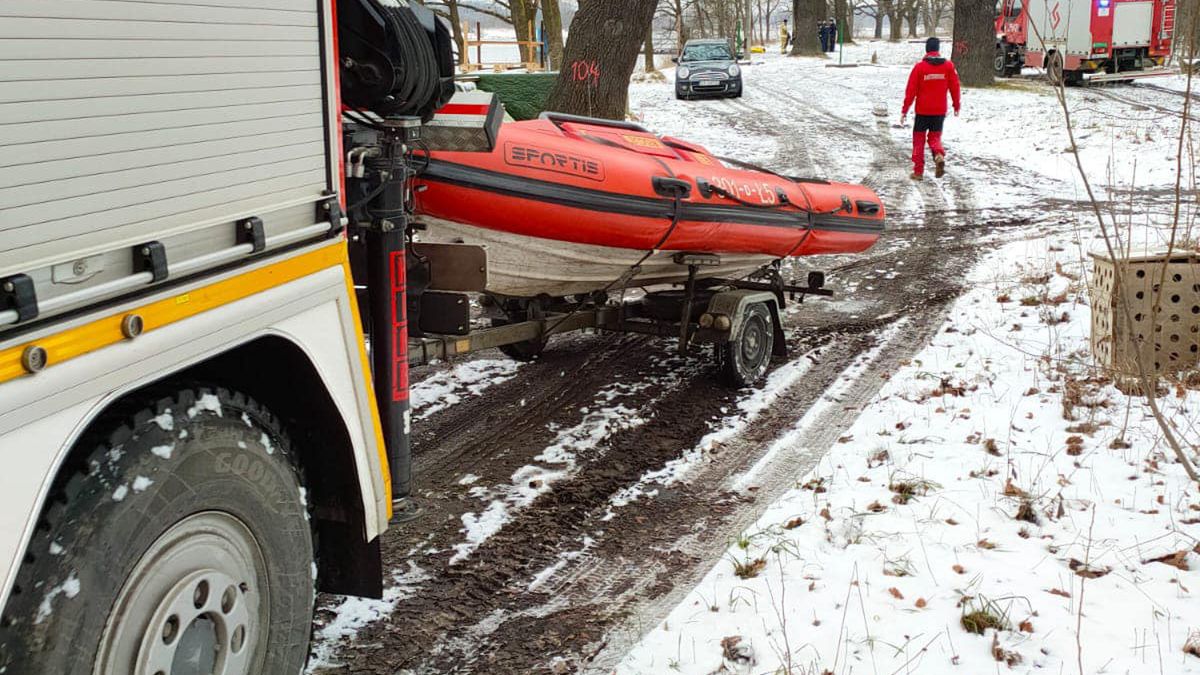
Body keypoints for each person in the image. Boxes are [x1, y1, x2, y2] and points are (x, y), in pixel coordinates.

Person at [901, 36, 961, 180]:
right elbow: (955, 87)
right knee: (934, 138)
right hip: (939, 111)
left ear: (927, 49)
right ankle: (938, 155)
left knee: (919, 140)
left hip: (922, 111)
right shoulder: (948, 67)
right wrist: (956, 104)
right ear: (938, 49)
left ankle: (918, 172)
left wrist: (905, 110)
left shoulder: (919, 68)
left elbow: (911, 91)